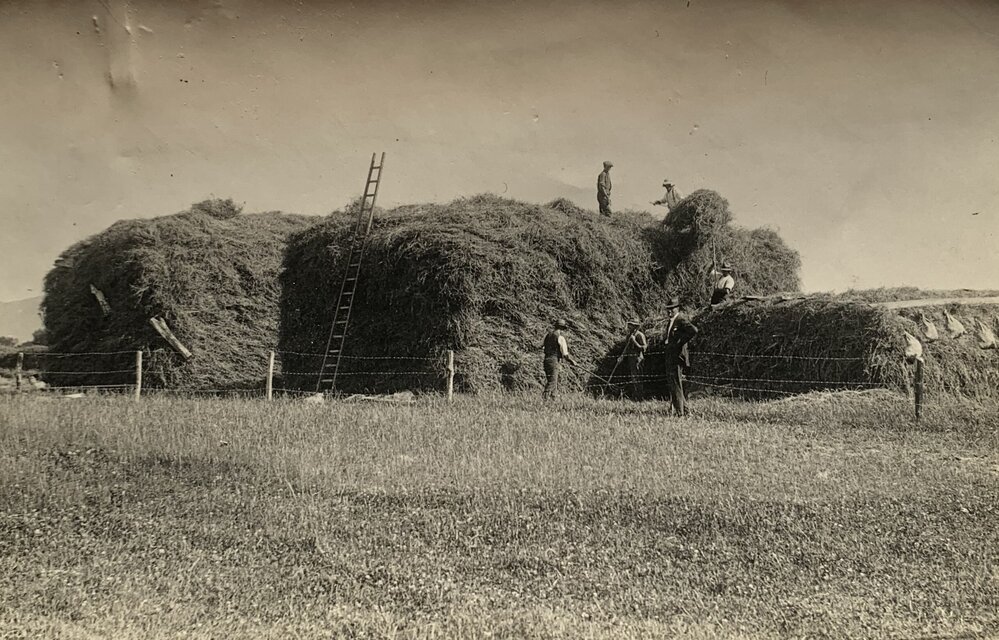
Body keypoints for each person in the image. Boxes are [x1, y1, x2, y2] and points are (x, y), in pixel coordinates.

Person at [662, 297, 698, 416]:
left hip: (677, 356)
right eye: (668, 309)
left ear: (677, 308)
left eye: (672, 309)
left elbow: (693, 330)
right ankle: (685, 411)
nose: (669, 312)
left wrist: (680, 342)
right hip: (670, 354)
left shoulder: (681, 319)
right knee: (674, 383)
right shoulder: (671, 321)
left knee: (676, 383)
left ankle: (680, 413)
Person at [542, 319, 579, 399]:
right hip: (554, 360)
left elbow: (543, 348)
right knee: (553, 381)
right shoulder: (560, 337)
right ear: (562, 328)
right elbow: (565, 354)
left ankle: (554, 399)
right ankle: (544, 398)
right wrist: (572, 361)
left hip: (546, 360)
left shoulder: (548, 336)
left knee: (552, 380)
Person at [616, 319, 648, 399]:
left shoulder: (640, 335)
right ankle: (635, 395)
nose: (629, 326)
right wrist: (622, 356)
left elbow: (644, 348)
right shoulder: (629, 336)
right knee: (633, 377)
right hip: (631, 359)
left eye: (631, 325)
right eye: (629, 324)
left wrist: (635, 342)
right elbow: (626, 349)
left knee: (638, 378)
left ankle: (639, 396)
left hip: (638, 359)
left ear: (635, 326)